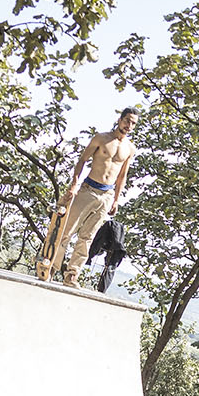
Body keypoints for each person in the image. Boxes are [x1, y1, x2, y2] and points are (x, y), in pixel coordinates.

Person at [42, 107, 139, 286]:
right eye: (127, 121)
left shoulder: (130, 148)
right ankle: (51, 269)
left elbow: (122, 176)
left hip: (107, 195)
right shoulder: (101, 138)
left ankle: (72, 274)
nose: (129, 125)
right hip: (88, 189)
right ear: (120, 119)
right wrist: (73, 185)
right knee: (66, 232)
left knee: (87, 237)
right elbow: (82, 160)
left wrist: (116, 199)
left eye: (133, 123)